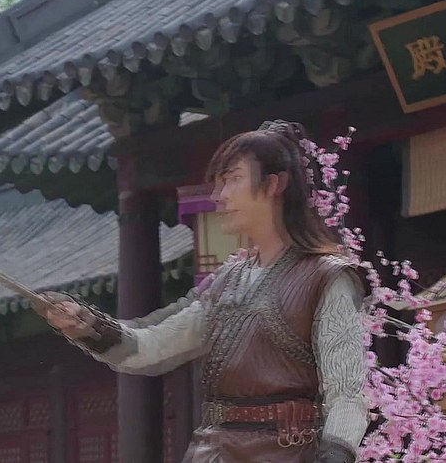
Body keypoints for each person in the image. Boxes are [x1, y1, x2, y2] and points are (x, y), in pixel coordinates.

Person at [39, 120, 368, 463]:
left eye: (233, 180)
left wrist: (335, 455)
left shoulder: (326, 277)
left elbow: (346, 393)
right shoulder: (227, 281)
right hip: (214, 452)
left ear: (275, 184)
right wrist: (87, 325)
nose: (219, 196)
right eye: (219, 183)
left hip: (289, 453)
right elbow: (152, 346)